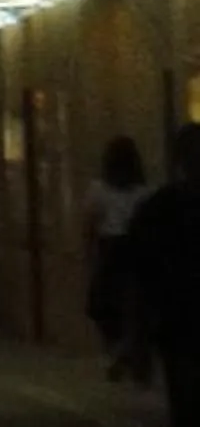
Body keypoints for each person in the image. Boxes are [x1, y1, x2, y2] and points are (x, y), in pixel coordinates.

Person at [128, 123, 200, 423]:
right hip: (177, 322)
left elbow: (140, 278)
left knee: (186, 400)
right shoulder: (156, 209)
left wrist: (138, 338)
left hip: (177, 321)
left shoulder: (157, 209)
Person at [88, 136, 151, 378]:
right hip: (136, 251)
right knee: (133, 305)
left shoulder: (98, 190)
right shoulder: (144, 193)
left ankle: (118, 350)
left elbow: (89, 226)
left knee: (102, 305)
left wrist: (89, 257)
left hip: (110, 250)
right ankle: (128, 350)